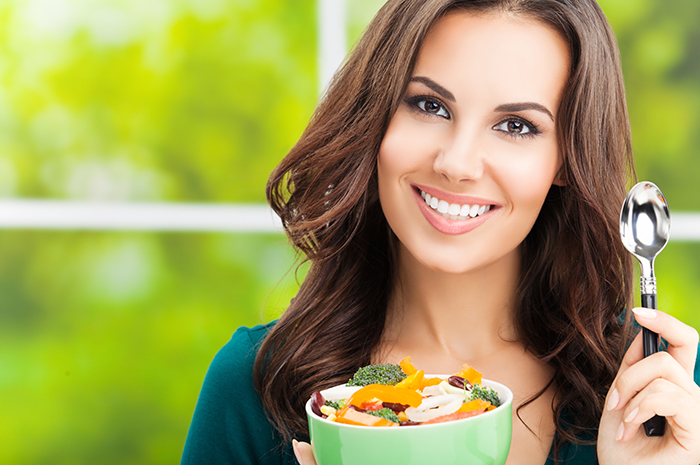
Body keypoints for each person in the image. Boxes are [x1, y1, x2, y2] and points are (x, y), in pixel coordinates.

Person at [181, 0, 700, 464]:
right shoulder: (252, 388)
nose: (457, 163)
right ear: (376, 116)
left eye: (516, 125)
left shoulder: (657, 396)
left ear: (567, 157)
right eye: (429, 105)